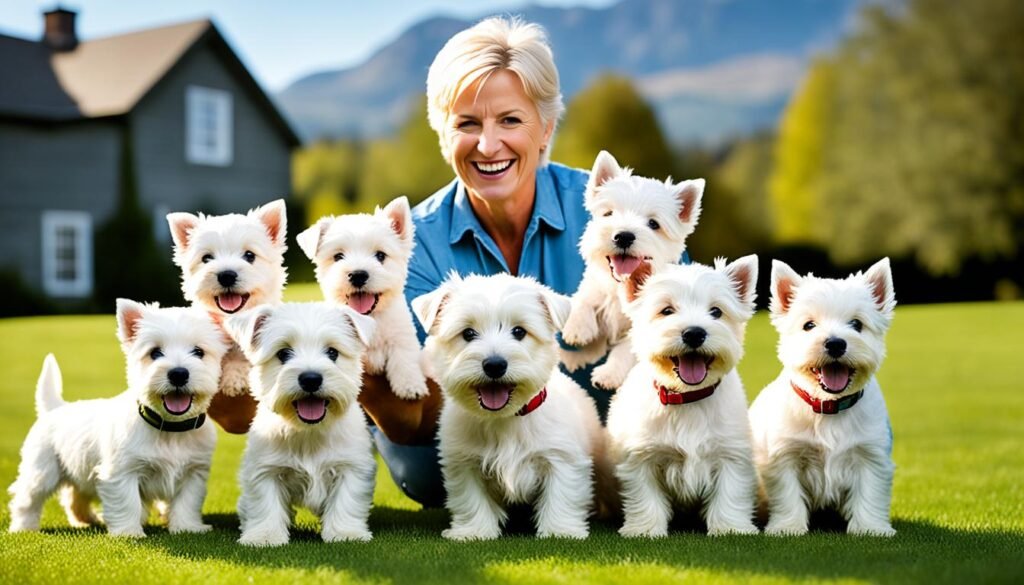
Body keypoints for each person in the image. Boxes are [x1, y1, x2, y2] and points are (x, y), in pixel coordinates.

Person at [359, 16, 621, 507]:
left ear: (546, 129)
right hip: (444, 462)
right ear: (443, 134)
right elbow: (411, 407)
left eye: (510, 120)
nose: (488, 144)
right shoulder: (404, 245)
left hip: (599, 459)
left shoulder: (616, 213)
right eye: (467, 124)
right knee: (437, 458)